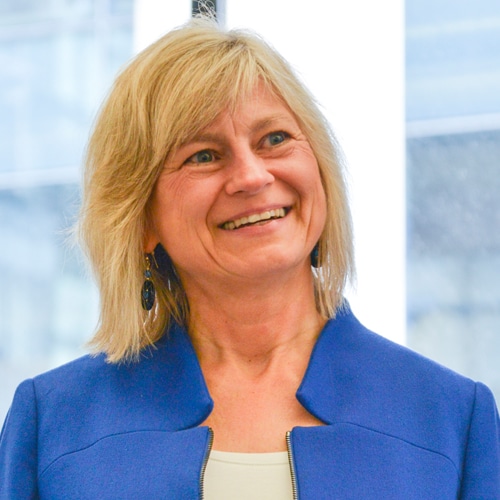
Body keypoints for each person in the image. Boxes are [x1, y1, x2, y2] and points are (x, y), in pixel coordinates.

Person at [1, 16, 499, 500]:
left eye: (275, 140)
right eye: (204, 155)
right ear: (142, 218)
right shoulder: (52, 423)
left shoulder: (452, 417)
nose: (253, 176)